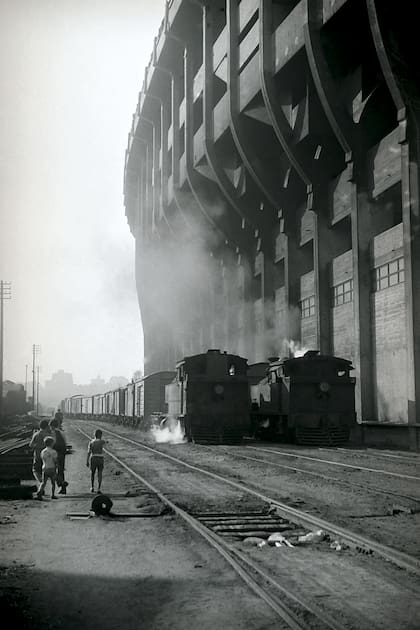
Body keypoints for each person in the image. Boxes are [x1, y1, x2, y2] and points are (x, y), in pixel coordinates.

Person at [29, 420, 52, 487]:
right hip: (47, 456)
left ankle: (41, 482)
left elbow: (31, 445)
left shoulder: (36, 434)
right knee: (45, 471)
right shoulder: (48, 435)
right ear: (47, 426)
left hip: (38, 455)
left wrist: (37, 446)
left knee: (35, 470)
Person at [49, 418, 68, 494]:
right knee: (61, 470)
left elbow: (52, 443)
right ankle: (63, 488)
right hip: (62, 453)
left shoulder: (53, 433)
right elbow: (65, 443)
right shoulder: (62, 432)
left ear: (52, 426)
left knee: (52, 470)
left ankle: (61, 483)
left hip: (55, 453)